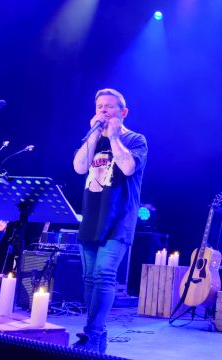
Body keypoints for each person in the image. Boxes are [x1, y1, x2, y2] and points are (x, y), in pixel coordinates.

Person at [72, 88, 148, 353]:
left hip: (119, 218)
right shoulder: (93, 139)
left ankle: (91, 335)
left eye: (110, 107)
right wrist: (94, 137)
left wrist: (114, 136)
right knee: (89, 278)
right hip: (92, 216)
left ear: (123, 112)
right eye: (99, 107)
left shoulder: (136, 139)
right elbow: (80, 167)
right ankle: (97, 336)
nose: (103, 111)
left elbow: (128, 167)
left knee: (104, 274)